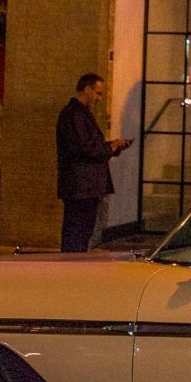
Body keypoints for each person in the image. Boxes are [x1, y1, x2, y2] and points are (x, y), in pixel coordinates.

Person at [56, 73, 131, 253]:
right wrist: (109, 148)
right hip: (82, 186)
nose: (99, 98)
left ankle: (73, 263)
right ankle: (71, 265)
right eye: (97, 93)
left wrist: (110, 146)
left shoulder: (77, 114)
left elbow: (86, 146)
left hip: (83, 185)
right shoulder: (75, 114)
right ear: (87, 89)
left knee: (80, 230)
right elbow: (85, 148)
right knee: (78, 231)